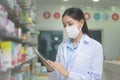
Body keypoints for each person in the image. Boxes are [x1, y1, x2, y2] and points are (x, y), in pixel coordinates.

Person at [46, 7, 103, 80]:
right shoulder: (62, 46)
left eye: (70, 24)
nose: (67, 28)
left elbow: (95, 78)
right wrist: (50, 70)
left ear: (81, 22)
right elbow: (57, 77)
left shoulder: (95, 46)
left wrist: (67, 74)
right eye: (64, 25)